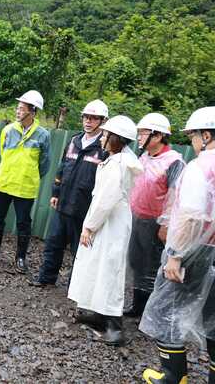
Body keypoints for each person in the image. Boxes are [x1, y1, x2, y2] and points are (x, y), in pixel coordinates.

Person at [140, 107, 215, 384]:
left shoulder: (200, 167)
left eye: (195, 135)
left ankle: (173, 377)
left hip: (193, 251)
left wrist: (175, 255)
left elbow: (192, 216)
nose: (194, 141)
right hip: (213, 251)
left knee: (166, 309)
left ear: (206, 135)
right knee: (213, 317)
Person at [67, 115, 143, 346]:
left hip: (111, 223)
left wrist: (89, 227)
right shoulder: (117, 159)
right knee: (98, 266)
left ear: (116, 139)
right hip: (109, 222)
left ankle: (115, 327)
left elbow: (105, 200)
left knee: (110, 270)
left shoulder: (118, 164)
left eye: (106, 134)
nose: (102, 138)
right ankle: (99, 314)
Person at [30, 99, 109, 288]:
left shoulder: (104, 148)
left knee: (80, 250)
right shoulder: (74, 141)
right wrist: (55, 192)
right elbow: (61, 168)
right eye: (86, 117)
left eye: (93, 118)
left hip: (84, 207)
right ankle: (46, 278)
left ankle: (76, 287)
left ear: (103, 121)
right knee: (53, 243)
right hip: (64, 202)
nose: (88, 121)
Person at [0, 90, 51, 274]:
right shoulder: (8, 130)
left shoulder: (43, 135)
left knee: (23, 223)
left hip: (25, 188)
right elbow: (3, 154)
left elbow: (44, 164)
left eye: (22, 109)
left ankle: (20, 258)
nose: (18, 111)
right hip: (3, 183)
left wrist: (29, 176)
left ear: (33, 111)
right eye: (18, 108)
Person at [124, 113, 185, 319]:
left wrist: (166, 224)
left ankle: (151, 313)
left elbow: (175, 195)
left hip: (155, 223)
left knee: (151, 266)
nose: (139, 137)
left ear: (158, 136)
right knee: (136, 262)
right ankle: (137, 306)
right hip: (136, 217)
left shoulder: (174, 161)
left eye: (143, 133)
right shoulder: (144, 157)